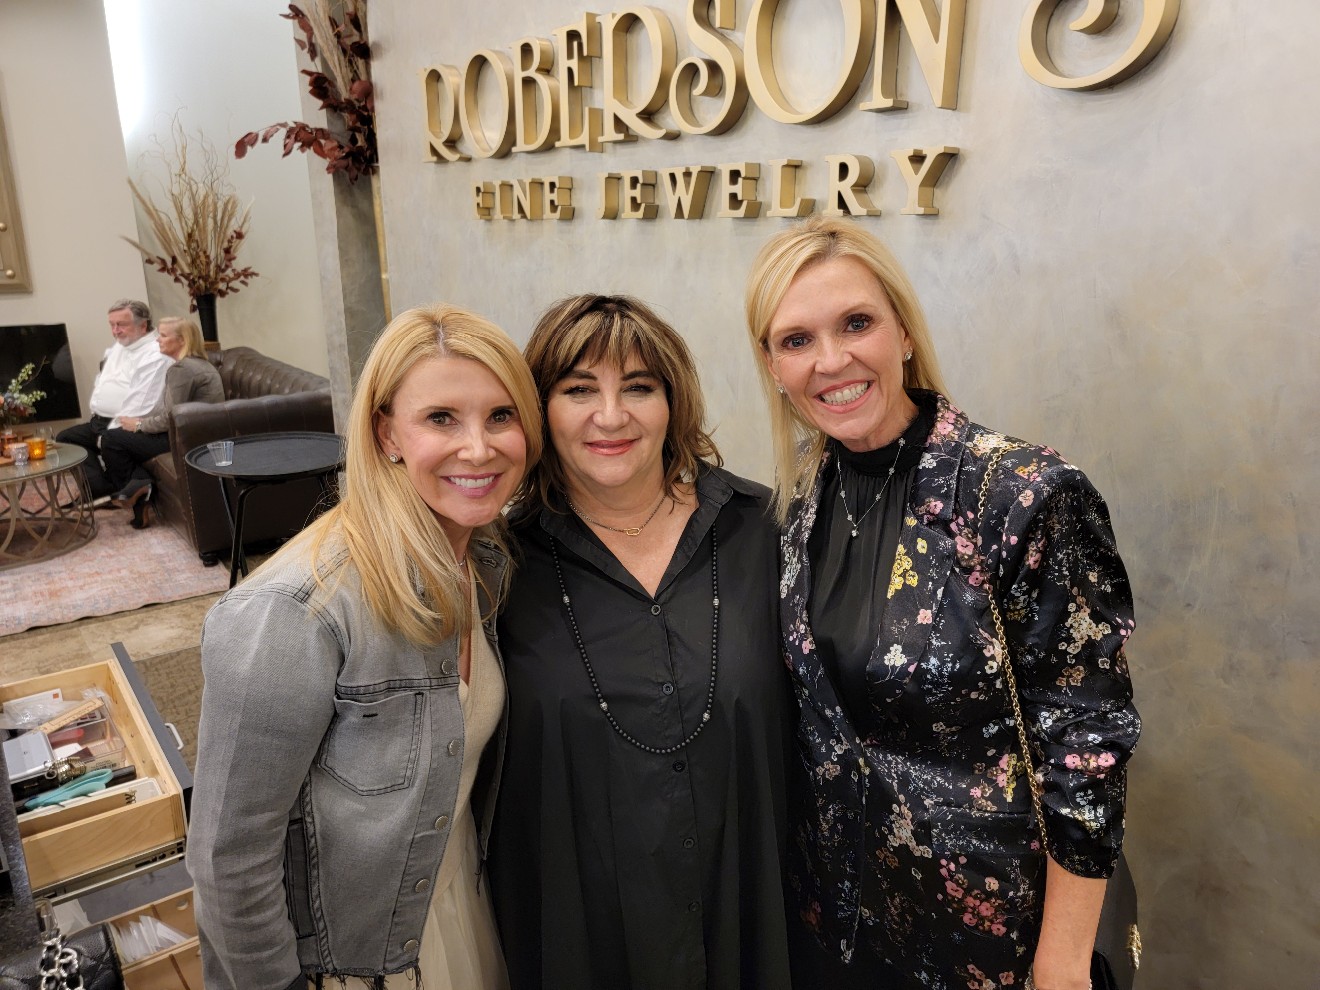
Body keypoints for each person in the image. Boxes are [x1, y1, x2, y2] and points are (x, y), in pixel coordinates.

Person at [743, 217, 1141, 990]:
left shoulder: (1024, 496)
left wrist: (1062, 963)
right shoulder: (799, 495)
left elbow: (1086, 747)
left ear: (903, 332)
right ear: (772, 364)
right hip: (837, 930)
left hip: (993, 943)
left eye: (856, 323)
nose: (831, 360)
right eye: (796, 340)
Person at [186, 305, 543, 990]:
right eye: (441, 418)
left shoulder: (488, 563)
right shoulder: (293, 610)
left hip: (460, 912)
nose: (478, 448)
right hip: (356, 963)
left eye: (501, 415)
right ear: (387, 434)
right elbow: (228, 863)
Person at [488, 295, 796, 990]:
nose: (611, 415)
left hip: (752, 921)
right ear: (539, 411)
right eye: (578, 390)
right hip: (583, 935)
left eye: (638, 387)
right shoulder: (498, 566)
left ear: (672, 401)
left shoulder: (762, 531)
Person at [99, 316, 224, 527]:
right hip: (195, 433)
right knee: (121, 437)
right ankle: (140, 488)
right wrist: (142, 422)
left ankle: (139, 490)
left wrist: (139, 425)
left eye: (163, 336)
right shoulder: (198, 364)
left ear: (182, 340)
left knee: (111, 440)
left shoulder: (182, 370)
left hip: (188, 440)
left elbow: (171, 418)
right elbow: (174, 413)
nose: (158, 340)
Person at [56, 299, 172, 499]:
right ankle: (99, 488)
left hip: (129, 424)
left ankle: (137, 486)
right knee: (67, 439)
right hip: (101, 420)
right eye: (112, 325)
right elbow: (104, 382)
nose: (115, 331)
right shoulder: (121, 345)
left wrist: (108, 432)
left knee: (110, 441)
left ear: (143, 325)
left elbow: (145, 405)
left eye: (121, 325)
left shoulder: (156, 353)